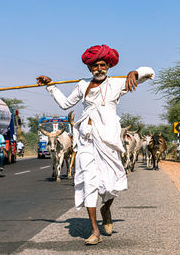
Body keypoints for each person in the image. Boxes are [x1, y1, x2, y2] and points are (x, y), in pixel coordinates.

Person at [37, 44, 155, 245]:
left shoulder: (119, 83)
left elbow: (150, 72)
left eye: (102, 65)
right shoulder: (83, 85)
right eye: (95, 66)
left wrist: (136, 72)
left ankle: (106, 208)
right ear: (89, 68)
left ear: (108, 65)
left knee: (111, 183)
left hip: (108, 140)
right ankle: (95, 231)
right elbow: (65, 104)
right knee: (88, 182)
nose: (99, 69)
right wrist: (51, 86)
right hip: (86, 139)